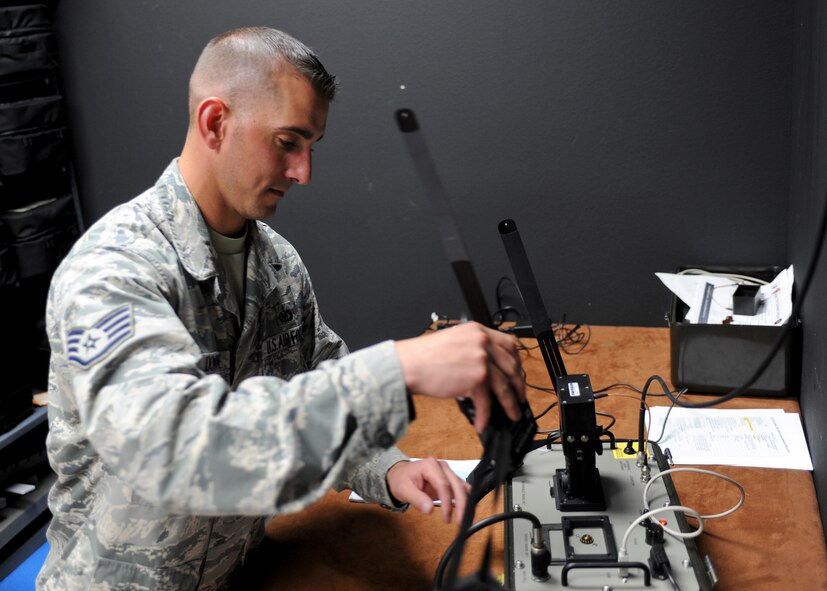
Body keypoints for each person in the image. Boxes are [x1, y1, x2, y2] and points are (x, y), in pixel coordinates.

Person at [37, 27, 525, 590]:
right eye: (288, 142)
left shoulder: (276, 264)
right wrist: (400, 367)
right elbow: (170, 447)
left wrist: (389, 469)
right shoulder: (112, 270)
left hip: (244, 573)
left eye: (311, 147)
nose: (303, 173)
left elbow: (313, 389)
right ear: (214, 122)